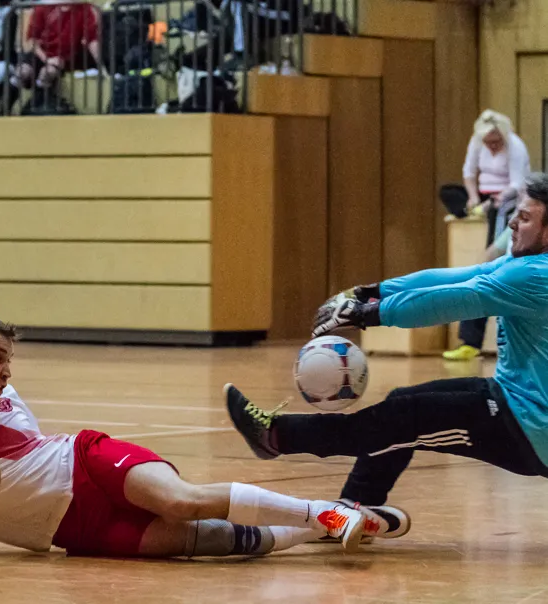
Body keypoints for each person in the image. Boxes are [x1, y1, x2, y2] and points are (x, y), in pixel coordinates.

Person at [0, 314, 412, 562]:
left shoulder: (6, 395)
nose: (7, 371)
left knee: (181, 502)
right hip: (68, 531)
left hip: (85, 460)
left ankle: (326, 514)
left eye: (10, 360)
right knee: (211, 542)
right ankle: (323, 525)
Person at [226, 172, 548, 509]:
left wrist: (368, 314)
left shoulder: (534, 275)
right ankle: (356, 507)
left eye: (525, 218)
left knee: (402, 419)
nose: (512, 223)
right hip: (512, 399)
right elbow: (458, 277)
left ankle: (277, 435)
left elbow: (452, 300)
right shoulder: (525, 262)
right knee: (400, 404)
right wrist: (372, 292)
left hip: (528, 430)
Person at [440, 110, 530, 361]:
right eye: (487, 142)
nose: (491, 146)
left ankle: (485, 341)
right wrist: (473, 199)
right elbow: (469, 173)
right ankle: (470, 341)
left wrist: (493, 204)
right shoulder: (476, 142)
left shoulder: (516, 147)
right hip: (484, 197)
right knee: (449, 192)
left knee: (490, 271)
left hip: (505, 200)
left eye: (496, 142)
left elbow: (517, 185)